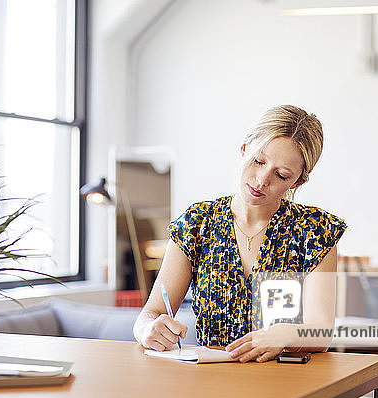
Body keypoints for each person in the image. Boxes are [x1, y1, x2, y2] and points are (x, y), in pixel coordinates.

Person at [133, 105, 346, 362]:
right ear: (244, 149)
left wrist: (285, 335)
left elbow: (321, 331)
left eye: (281, 175)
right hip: (213, 379)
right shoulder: (197, 223)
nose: (261, 180)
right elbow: (151, 313)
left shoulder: (315, 230)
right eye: (258, 161)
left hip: (285, 382)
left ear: (297, 182)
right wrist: (147, 330)